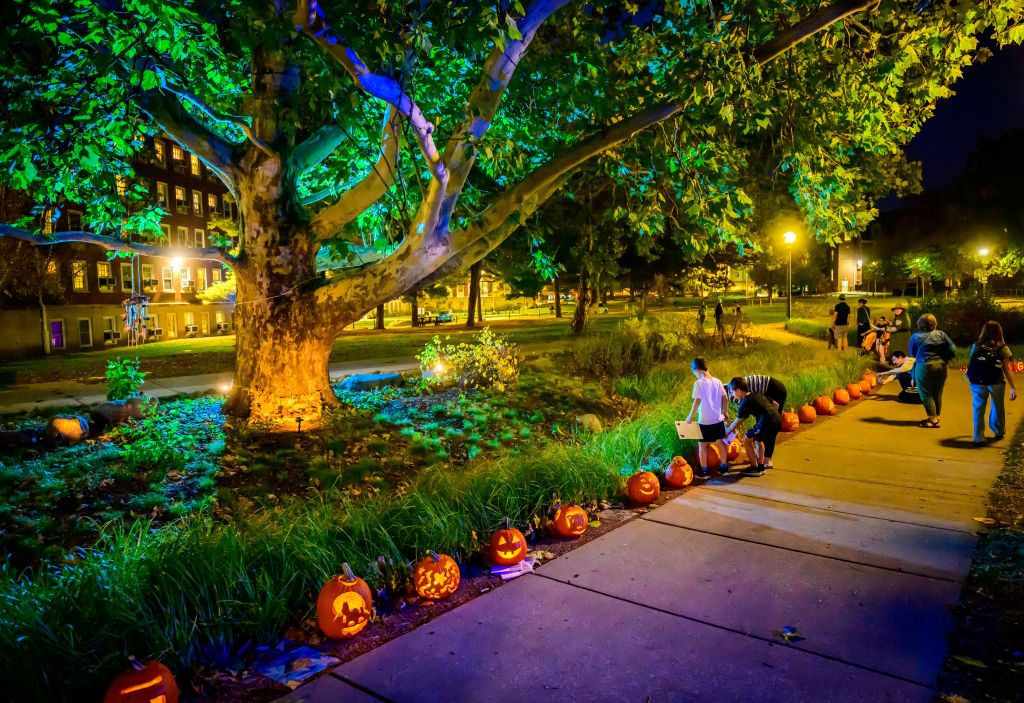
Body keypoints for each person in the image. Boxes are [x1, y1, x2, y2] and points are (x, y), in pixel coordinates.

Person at [965, 320, 1017, 446]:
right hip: (996, 382)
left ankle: (978, 437)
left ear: (984, 331)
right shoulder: (1003, 348)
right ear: (999, 332)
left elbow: (973, 363)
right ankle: (998, 431)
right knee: (997, 406)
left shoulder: (976, 346)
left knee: (978, 408)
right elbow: (1007, 369)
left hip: (977, 382)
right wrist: (1013, 387)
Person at [684, 357, 730, 480]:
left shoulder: (699, 383)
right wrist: (725, 412)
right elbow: (725, 398)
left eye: (694, 373)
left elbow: (697, 401)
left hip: (705, 421)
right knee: (720, 443)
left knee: (702, 446)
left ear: (698, 370)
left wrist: (690, 416)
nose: (695, 375)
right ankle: (724, 469)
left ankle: (704, 472)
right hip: (718, 419)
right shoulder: (718, 381)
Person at [726, 377, 782, 477]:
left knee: (746, 440)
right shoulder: (756, 394)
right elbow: (775, 405)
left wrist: (728, 431)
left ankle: (754, 468)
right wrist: (767, 416)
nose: (731, 394)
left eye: (731, 392)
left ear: (738, 390)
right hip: (777, 420)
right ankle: (761, 467)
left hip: (766, 423)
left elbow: (738, 421)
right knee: (758, 440)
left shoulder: (745, 402)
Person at [909, 313, 956, 428]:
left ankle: (933, 420)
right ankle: (935, 415)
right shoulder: (941, 334)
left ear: (920, 324)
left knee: (925, 393)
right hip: (941, 365)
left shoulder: (915, 337)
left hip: (924, 365)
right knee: (938, 392)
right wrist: (946, 357)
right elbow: (953, 348)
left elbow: (912, 354)